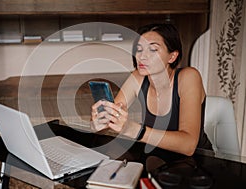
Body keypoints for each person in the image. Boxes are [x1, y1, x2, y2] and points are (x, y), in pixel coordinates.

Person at [90, 23, 212, 156]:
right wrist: (97, 124)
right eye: (139, 49)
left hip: (197, 163)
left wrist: (134, 130)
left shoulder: (188, 77)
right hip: (156, 158)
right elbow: (111, 119)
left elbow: (188, 145)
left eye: (153, 50)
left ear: (172, 57)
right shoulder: (138, 77)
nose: (142, 56)